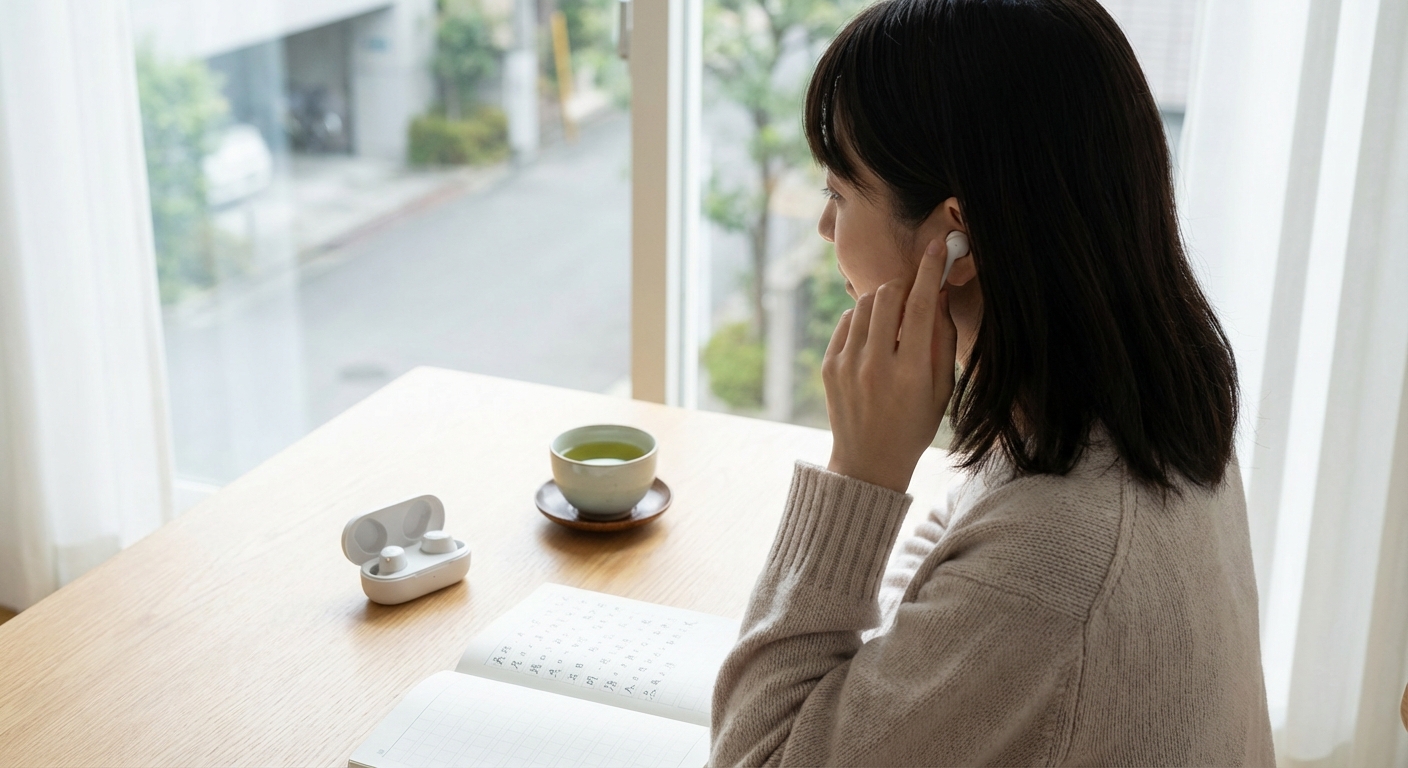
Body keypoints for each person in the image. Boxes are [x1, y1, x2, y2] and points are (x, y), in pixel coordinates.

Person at [708, 0, 1276, 765]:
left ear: (955, 234)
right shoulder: (1148, 403)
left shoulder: (1054, 559)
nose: (824, 230)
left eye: (838, 195)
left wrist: (859, 477)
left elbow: (757, 755)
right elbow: (971, 546)